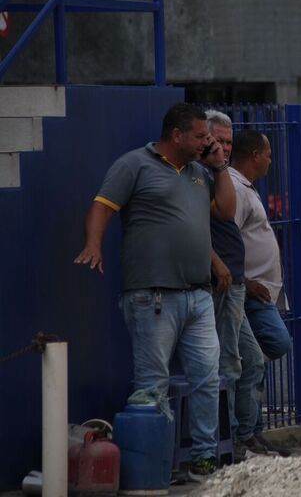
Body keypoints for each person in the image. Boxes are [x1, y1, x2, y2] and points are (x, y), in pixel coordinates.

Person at [74, 103, 234, 481]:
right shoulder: (134, 164)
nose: (206, 142)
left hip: (198, 296)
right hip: (153, 297)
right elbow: (101, 206)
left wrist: (220, 166)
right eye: (200, 136)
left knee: (207, 377)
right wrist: (94, 244)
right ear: (176, 135)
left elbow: (226, 212)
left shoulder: (200, 172)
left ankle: (204, 459)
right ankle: (155, 466)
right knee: (152, 386)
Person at [202, 111, 269, 459]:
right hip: (222, 285)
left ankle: (244, 436)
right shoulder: (202, 176)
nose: (225, 148)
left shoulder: (223, 176)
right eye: (219, 141)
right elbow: (196, 225)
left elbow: (228, 217)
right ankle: (224, 447)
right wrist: (217, 263)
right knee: (228, 364)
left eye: (229, 142)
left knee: (252, 361)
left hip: (237, 285)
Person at [229, 129, 292, 456]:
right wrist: (246, 280)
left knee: (257, 363)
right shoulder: (236, 189)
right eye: (267, 153)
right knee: (273, 346)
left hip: (259, 293)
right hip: (248, 293)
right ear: (255, 155)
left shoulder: (246, 188)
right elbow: (227, 238)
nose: (271, 159)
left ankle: (254, 431)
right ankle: (245, 434)